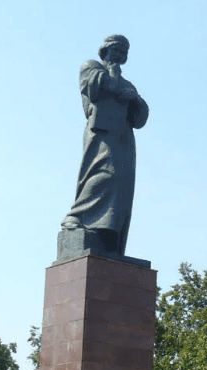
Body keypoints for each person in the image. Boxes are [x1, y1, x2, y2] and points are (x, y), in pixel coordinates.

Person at [59, 35, 149, 259]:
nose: (119, 56)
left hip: (123, 139)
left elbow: (140, 119)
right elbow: (96, 88)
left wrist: (135, 100)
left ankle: (106, 230)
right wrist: (117, 80)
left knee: (121, 183)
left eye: (123, 53)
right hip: (101, 133)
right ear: (105, 51)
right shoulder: (91, 67)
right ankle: (76, 218)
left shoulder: (127, 84)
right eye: (116, 50)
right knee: (102, 172)